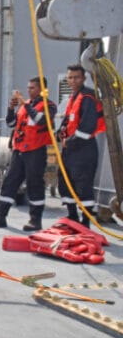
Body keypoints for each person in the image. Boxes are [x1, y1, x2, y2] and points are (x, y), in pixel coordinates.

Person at [0, 77, 57, 230]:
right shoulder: (25, 106)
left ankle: (35, 221)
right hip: (19, 151)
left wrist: (24, 104)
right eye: (28, 88)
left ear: (41, 89)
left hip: (36, 152)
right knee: (9, 183)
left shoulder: (49, 106)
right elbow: (11, 123)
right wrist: (11, 109)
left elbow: (40, 120)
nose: (29, 91)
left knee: (34, 185)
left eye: (32, 88)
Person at [56, 64, 105, 227]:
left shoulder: (88, 98)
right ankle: (72, 217)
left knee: (83, 185)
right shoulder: (73, 98)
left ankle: (85, 222)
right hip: (70, 150)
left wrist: (67, 141)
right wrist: (60, 134)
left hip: (84, 151)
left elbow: (86, 128)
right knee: (65, 182)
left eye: (76, 77)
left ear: (83, 78)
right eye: (70, 77)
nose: (73, 80)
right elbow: (67, 122)